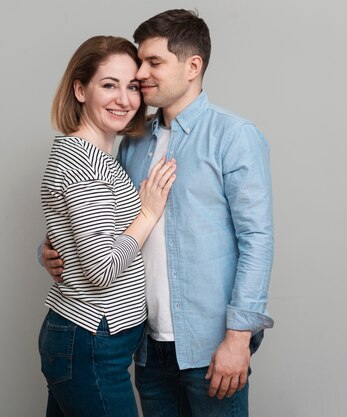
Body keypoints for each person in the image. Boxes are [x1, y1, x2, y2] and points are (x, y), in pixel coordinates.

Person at [41, 9, 274, 417]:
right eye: (138, 65)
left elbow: (257, 240)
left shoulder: (233, 136)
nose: (142, 74)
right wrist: (52, 247)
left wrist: (239, 338)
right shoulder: (132, 138)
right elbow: (98, 217)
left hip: (208, 346)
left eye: (153, 62)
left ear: (192, 66)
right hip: (147, 347)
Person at [38, 35, 176, 417]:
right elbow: (101, 270)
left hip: (87, 342)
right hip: (90, 345)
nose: (124, 99)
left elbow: (79, 231)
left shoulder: (90, 154)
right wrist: (147, 214)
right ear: (80, 90)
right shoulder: (87, 167)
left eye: (132, 86)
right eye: (109, 85)